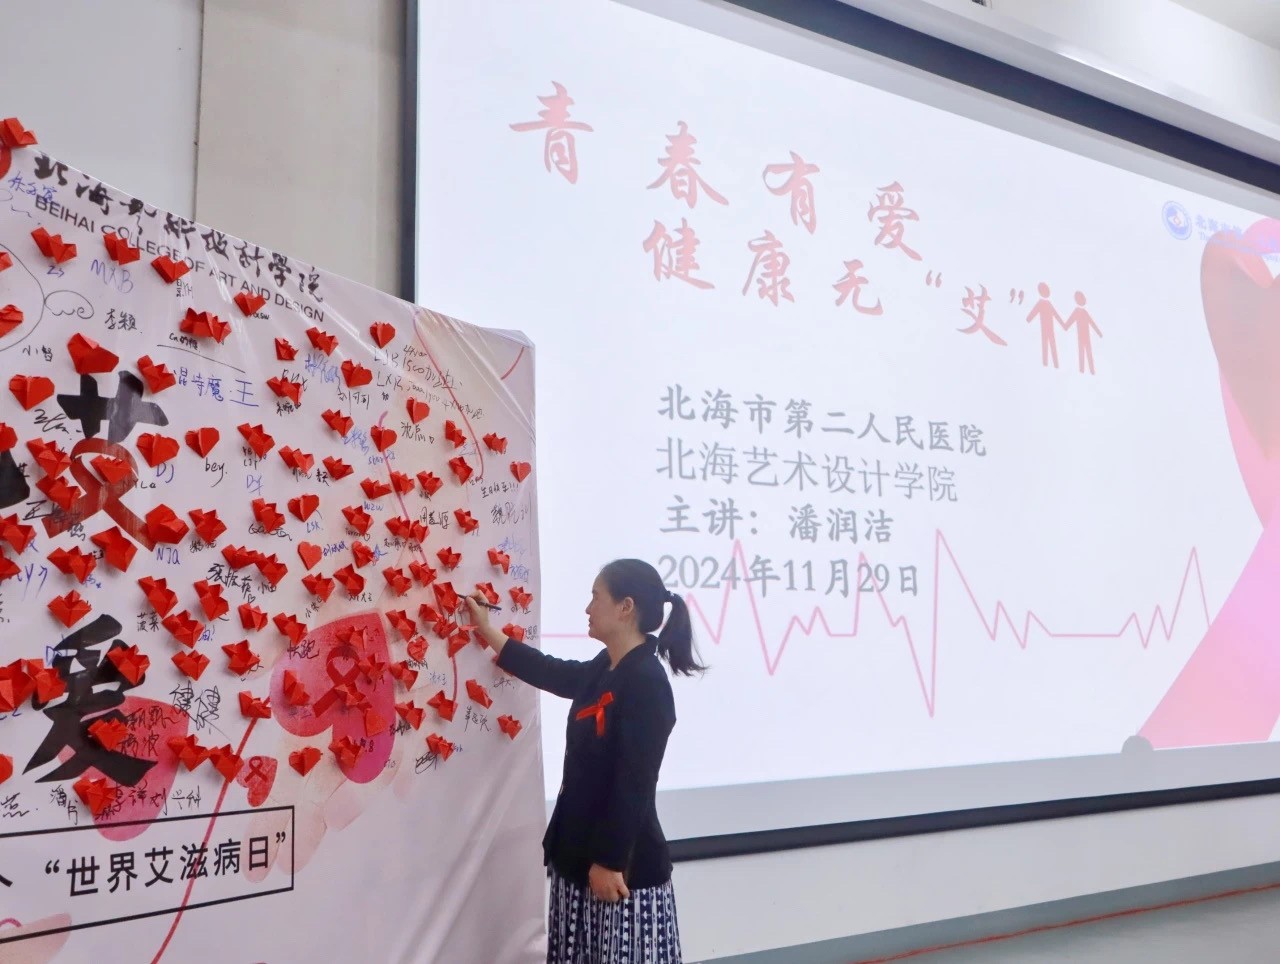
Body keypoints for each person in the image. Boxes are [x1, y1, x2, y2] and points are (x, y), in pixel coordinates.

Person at [465, 558, 706, 964]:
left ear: (625, 607)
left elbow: (635, 782)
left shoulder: (646, 681)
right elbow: (553, 672)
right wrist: (489, 632)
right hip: (578, 860)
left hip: (618, 872)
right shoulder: (606, 666)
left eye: (596, 597)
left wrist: (609, 861)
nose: (588, 608)